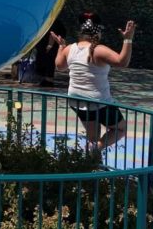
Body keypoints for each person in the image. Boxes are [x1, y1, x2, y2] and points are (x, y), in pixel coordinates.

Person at [51, 15, 136, 152]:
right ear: (97, 34)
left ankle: (91, 164)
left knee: (93, 137)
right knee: (120, 129)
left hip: (76, 100)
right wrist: (128, 39)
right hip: (99, 102)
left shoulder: (70, 49)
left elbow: (59, 66)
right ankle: (97, 149)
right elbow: (122, 62)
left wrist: (61, 46)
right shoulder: (98, 50)